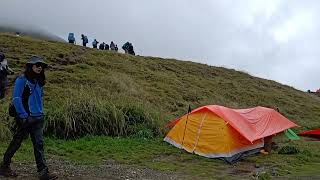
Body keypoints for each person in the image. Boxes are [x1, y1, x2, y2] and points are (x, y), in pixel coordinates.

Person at [0, 56, 57, 180]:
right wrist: (24, 116)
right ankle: (4, 166)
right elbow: (16, 98)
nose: (40, 67)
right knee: (17, 141)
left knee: (39, 144)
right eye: (37, 65)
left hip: (38, 117)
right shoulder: (22, 79)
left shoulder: (39, 81)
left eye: (42, 66)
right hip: (26, 118)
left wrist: (41, 112)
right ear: (30, 66)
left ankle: (43, 172)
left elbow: (39, 98)